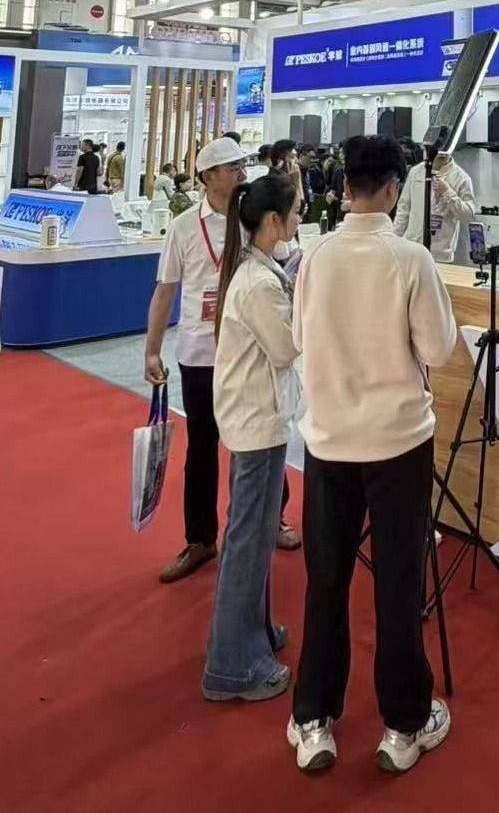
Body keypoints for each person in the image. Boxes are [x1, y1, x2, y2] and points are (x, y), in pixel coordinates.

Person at [287, 135, 457, 775]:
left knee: (326, 580)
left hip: (329, 442)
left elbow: (299, 337)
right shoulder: (410, 259)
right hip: (398, 443)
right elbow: (438, 350)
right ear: (392, 188)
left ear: (344, 188)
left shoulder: (314, 256)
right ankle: (404, 725)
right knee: (398, 581)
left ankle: (313, 721)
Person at [144, 138, 299, 585]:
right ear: (207, 177)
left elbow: (285, 265)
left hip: (251, 349)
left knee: (261, 438)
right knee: (202, 445)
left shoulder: (254, 217)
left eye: (242, 166)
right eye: (231, 168)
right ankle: (200, 538)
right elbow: (166, 289)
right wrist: (152, 349)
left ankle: (273, 517)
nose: (241, 173)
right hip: (199, 352)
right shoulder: (183, 227)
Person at [202, 173, 301, 703]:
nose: (301, 219)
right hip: (257, 423)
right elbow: (285, 349)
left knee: (254, 537)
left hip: (255, 418)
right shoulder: (259, 283)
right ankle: (231, 665)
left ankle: (251, 634)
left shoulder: (253, 271)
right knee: (247, 540)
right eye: (296, 211)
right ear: (273, 222)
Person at [393, 151, 475, 263]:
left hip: (440, 256)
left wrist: (448, 193)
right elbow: (403, 210)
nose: (441, 152)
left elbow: (468, 216)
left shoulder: (461, 178)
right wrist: (393, 242)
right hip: (411, 251)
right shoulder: (416, 172)